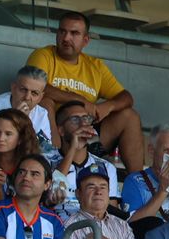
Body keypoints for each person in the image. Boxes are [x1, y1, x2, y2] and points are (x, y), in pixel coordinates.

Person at [26, 10, 145, 174]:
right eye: (62, 31)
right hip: (56, 134)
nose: (66, 38)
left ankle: (137, 182)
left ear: (85, 40)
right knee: (45, 102)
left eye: (74, 33)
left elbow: (126, 97)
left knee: (129, 116)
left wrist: (108, 107)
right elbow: (36, 86)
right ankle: (53, 157)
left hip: (89, 135)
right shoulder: (43, 55)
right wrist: (80, 100)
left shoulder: (94, 66)